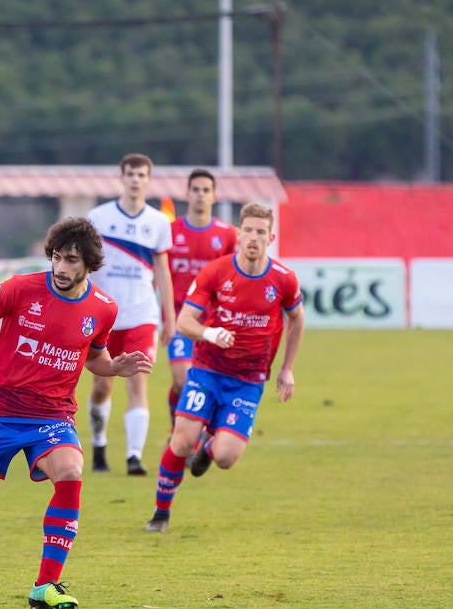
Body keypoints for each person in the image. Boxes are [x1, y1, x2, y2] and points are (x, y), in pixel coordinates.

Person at [0, 216, 153, 609]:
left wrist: (115, 368)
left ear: (88, 263)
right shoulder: (20, 288)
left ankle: (46, 585)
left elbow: (95, 358)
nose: (61, 268)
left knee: (71, 473)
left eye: (71, 260)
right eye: (56, 257)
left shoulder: (103, 309)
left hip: (53, 418)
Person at [147, 203, 305, 533]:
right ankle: (161, 513)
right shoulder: (216, 273)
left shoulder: (283, 279)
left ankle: (209, 446)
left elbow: (297, 319)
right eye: (247, 230)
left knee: (226, 458)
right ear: (239, 233)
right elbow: (184, 321)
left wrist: (287, 369)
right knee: (180, 441)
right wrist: (209, 333)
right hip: (207, 370)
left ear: (270, 237)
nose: (253, 237)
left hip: (248, 380)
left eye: (261, 232)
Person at [85, 153, 175, 476]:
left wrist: (169, 319)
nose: (136, 180)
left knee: (138, 383)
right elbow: (87, 266)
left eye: (142, 175)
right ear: (121, 178)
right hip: (105, 317)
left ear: (149, 180)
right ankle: (98, 446)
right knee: (101, 386)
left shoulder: (158, 223)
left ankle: (134, 457)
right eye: (131, 174)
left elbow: (163, 272)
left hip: (141, 315)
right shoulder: (98, 217)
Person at [166, 169, 238, 425]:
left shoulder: (228, 234)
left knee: (208, 385)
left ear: (214, 196)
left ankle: (189, 438)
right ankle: (177, 419)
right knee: (182, 380)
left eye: (206, 190)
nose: (200, 195)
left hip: (214, 322)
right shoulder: (170, 231)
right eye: (195, 189)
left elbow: (235, 277)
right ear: (187, 194)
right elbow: (159, 275)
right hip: (179, 320)